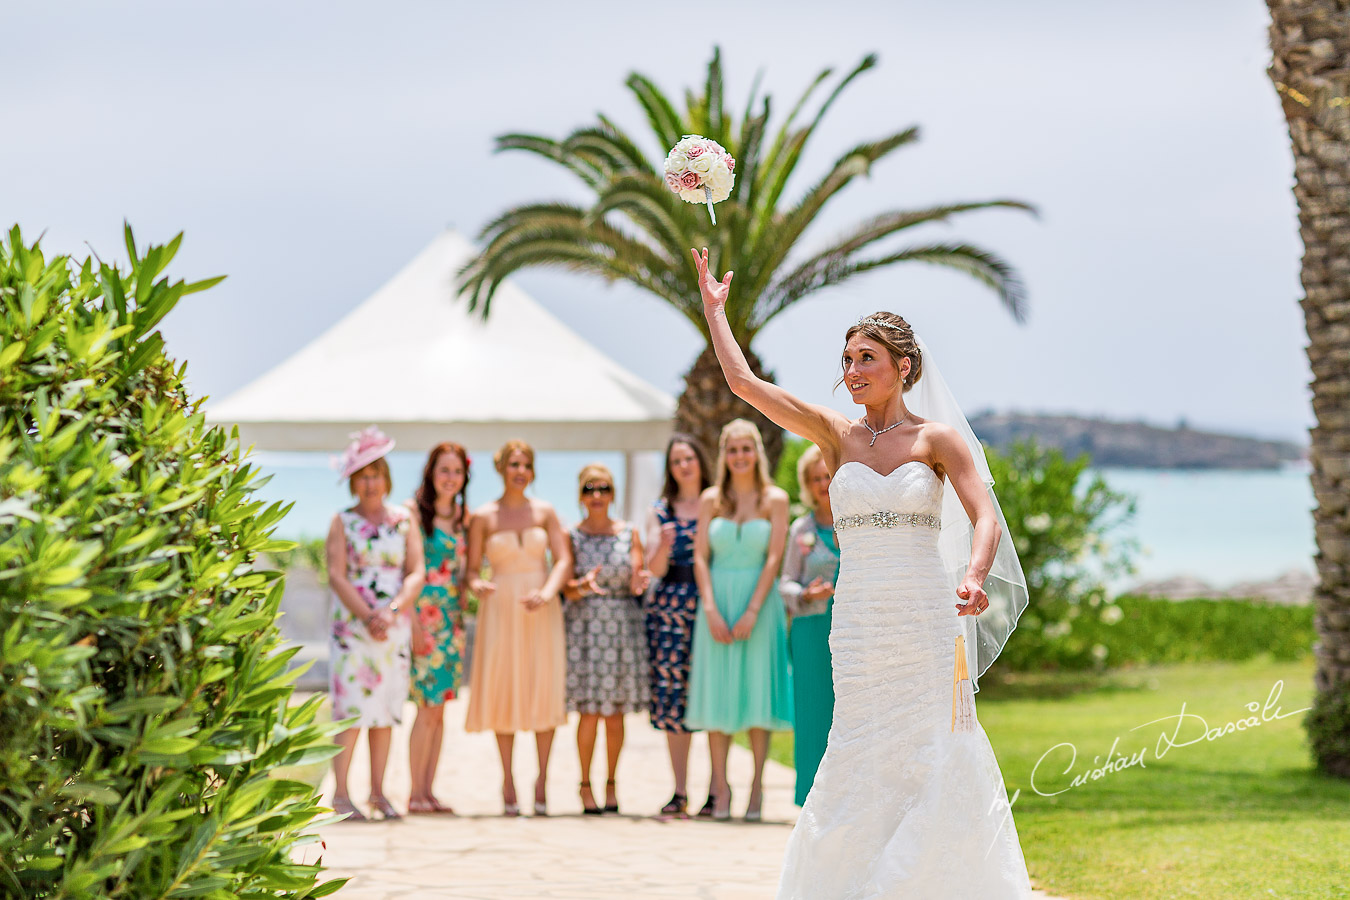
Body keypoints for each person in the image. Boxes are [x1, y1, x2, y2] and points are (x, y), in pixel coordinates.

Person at [691, 247, 1033, 897]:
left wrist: (976, 576)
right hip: (856, 621)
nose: (852, 371)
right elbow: (744, 387)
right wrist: (715, 313)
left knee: (931, 750)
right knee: (857, 751)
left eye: (866, 358)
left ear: (903, 368)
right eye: (847, 360)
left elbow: (984, 518)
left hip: (924, 617)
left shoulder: (938, 441)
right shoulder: (834, 435)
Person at [684, 418, 792, 822]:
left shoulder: (775, 499)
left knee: (756, 694)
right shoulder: (711, 499)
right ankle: (720, 788)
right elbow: (699, 556)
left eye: (746, 449)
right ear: (724, 456)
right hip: (716, 603)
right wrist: (710, 608)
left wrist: (751, 610)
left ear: (757, 453)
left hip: (759, 606)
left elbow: (774, 558)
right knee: (719, 696)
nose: (740, 456)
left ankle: (757, 787)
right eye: (733, 450)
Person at [464, 440, 570, 817]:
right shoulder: (483, 516)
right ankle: (507, 779)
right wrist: (476, 584)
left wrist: (547, 591)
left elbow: (562, 560)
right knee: (504, 688)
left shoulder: (546, 511)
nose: (520, 471)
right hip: (501, 608)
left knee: (543, 686)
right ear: (501, 468)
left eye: (526, 464)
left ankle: (542, 779)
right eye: (513, 464)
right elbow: (472, 569)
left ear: (533, 470)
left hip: (541, 608)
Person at [325, 426, 425, 822]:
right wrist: (368, 615)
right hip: (353, 628)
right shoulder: (342, 521)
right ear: (354, 481)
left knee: (385, 711)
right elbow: (336, 574)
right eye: (363, 475)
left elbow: (416, 571)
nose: (370, 482)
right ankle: (341, 796)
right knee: (351, 711)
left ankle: (379, 794)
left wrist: (394, 610)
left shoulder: (404, 520)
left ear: (386, 478)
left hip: (393, 627)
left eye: (376, 473)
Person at [562, 463, 651, 815]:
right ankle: (584, 785)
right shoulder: (572, 535)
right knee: (588, 713)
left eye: (603, 488)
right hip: (585, 628)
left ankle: (612, 784)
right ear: (581, 496)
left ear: (612, 494)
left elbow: (636, 577)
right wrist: (582, 586)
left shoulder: (629, 533)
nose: (596, 496)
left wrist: (640, 581)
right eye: (589, 489)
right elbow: (566, 588)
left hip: (620, 629)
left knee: (615, 715)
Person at [644, 433, 714, 818]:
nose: (683, 466)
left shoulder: (716, 502)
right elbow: (654, 569)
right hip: (669, 607)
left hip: (708, 604)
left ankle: (716, 790)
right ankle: (680, 791)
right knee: (673, 702)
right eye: (676, 461)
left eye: (688, 458)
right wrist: (665, 544)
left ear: (700, 461)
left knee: (710, 692)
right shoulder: (660, 509)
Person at [405, 442, 470, 815]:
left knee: (440, 710)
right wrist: (413, 622)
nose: (450, 478)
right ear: (431, 472)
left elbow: (462, 570)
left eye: (457, 472)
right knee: (424, 708)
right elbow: (407, 570)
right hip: (423, 620)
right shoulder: (412, 512)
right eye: (444, 470)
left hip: (451, 623)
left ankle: (429, 791)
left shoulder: (463, 517)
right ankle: (415, 792)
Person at [778, 444, 841, 808]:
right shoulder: (799, 529)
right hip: (809, 631)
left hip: (849, 629)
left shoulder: (855, 520)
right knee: (811, 711)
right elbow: (784, 582)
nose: (822, 483)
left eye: (827, 475)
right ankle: (811, 799)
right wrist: (804, 593)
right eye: (815, 478)